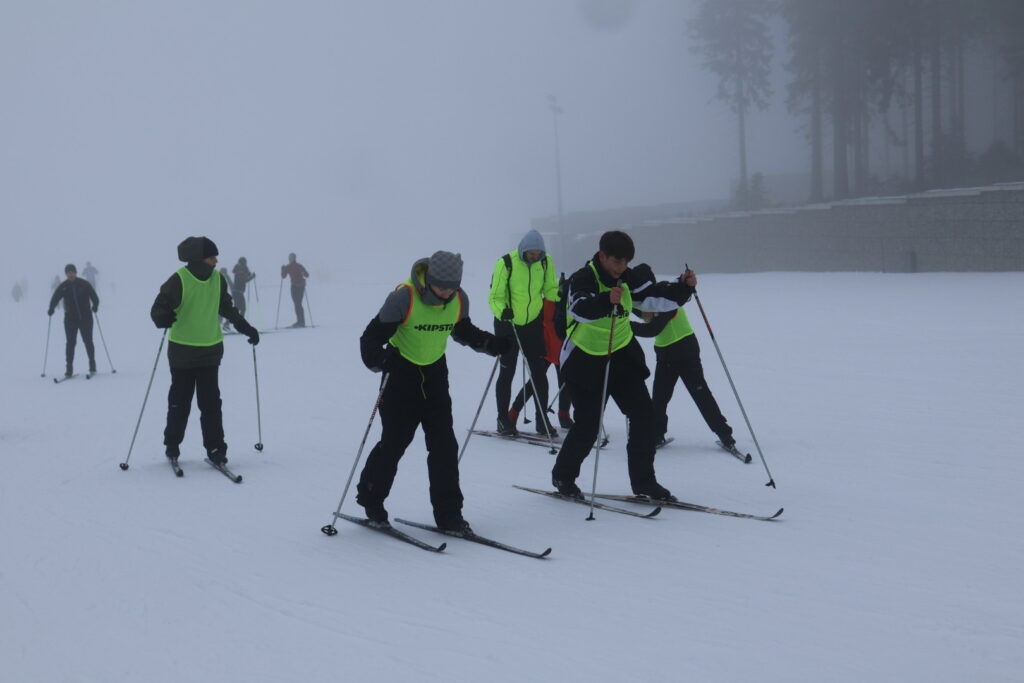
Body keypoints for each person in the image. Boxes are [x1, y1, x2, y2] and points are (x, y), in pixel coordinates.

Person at [356, 250, 511, 533]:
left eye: (453, 287)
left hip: (435, 377)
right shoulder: (404, 297)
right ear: (430, 281)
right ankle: (371, 500)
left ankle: (449, 514)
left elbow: (462, 331)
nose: (447, 293)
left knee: (444, 448)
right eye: (442, 286)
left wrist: (491, 344)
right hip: (401, 377)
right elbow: (370, 338)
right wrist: (379, 360)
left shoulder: (459, 298)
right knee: (394, 443)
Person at [550, 230, 696, 502]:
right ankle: (563, 476)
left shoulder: (627, 276)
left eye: (626, 262)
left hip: (621, 356)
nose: (621, 268)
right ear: (602, 256)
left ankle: (644, 482)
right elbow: (579, 308)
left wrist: (683, 287)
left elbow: (652, 297)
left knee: (644, 416)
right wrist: (606, 300)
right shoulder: (583, 278)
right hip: (585, 360)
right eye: (617, 262)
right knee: (588, 426)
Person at [150, 237, 259, 465]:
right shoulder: (179, 279)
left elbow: (227, 308)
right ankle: (172, 444)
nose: (216, 261)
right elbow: (158, 307)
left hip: (210, 351)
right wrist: (163, 317)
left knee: (211, 404)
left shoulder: (218, 279)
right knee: (180, 402)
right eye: (212, 257)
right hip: (182, 352)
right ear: (200, 259)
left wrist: (246, 328)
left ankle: (216, 449)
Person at [488, 229, 560, 437]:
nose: (534, 257)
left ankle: (541, 419)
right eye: (530, 253)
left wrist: (560, 293)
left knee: (539, 372)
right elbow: (494, 297)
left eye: (537, 253)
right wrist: (503, 311)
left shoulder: (545, 262)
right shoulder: (506, 263)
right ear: (523, 250)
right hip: (507, 324)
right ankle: (503, 420)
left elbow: (550, 289)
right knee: (507, 371)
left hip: (532, 324)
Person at [633, 305, 735, 448]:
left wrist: (623, 325)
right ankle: (657, 435)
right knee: (659, 397)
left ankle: (725, 435)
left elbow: (652, 329)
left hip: (685, 352)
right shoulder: (647, 302)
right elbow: (641, 312)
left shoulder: (667, 300)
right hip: (665, 355)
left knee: (701, 394)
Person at [509, 274, 574, 429]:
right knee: (536, 383)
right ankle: (513, 413)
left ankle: (563, 415)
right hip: (545, 348)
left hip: (562, 349)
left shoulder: (571, 302)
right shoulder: (546, 300)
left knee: (566, 384)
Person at [48, 264, 99, 377]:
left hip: (85, 318)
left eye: (72, 272)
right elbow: (55, 297)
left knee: (88, 341)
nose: (70, 274)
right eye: (68, 272)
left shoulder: (84, 284)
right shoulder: (64, 286)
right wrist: (51, 308)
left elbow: (94, 296)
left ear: (76, 273)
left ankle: (92, 366)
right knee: (70, 343)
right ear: (66, 274)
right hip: (70, 319)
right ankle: (69, 369)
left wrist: (95, 305)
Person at [281, 252, 309, 327]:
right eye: (289, 258)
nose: (289, 259)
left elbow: (283, 276)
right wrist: (283, 270)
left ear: (293, 258)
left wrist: (283, 270)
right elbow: (307, 275)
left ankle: (300, 322)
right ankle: (300, 321)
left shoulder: (292, 266)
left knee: (297, 303)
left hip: (297, 287)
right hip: (298, 286)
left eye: (290, 258)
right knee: (298, 304)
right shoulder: (297, 266)